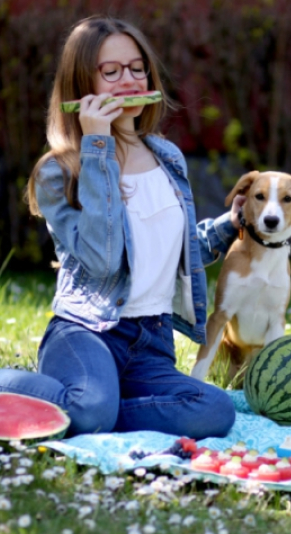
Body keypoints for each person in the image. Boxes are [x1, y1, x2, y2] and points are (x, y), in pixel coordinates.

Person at [0, 15, 240, 439]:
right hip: (87, 332)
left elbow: (169, 254)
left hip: (152, 342)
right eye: (110, 72)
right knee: (91, 409)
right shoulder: (60, 172)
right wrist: (97, 147)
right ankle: (86, 408)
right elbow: (105, 259)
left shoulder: (168, 157)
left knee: (215, 410)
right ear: (81, 85)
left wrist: (231, 225)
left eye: (136, 67)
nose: (129, 80)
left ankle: (94, 413)